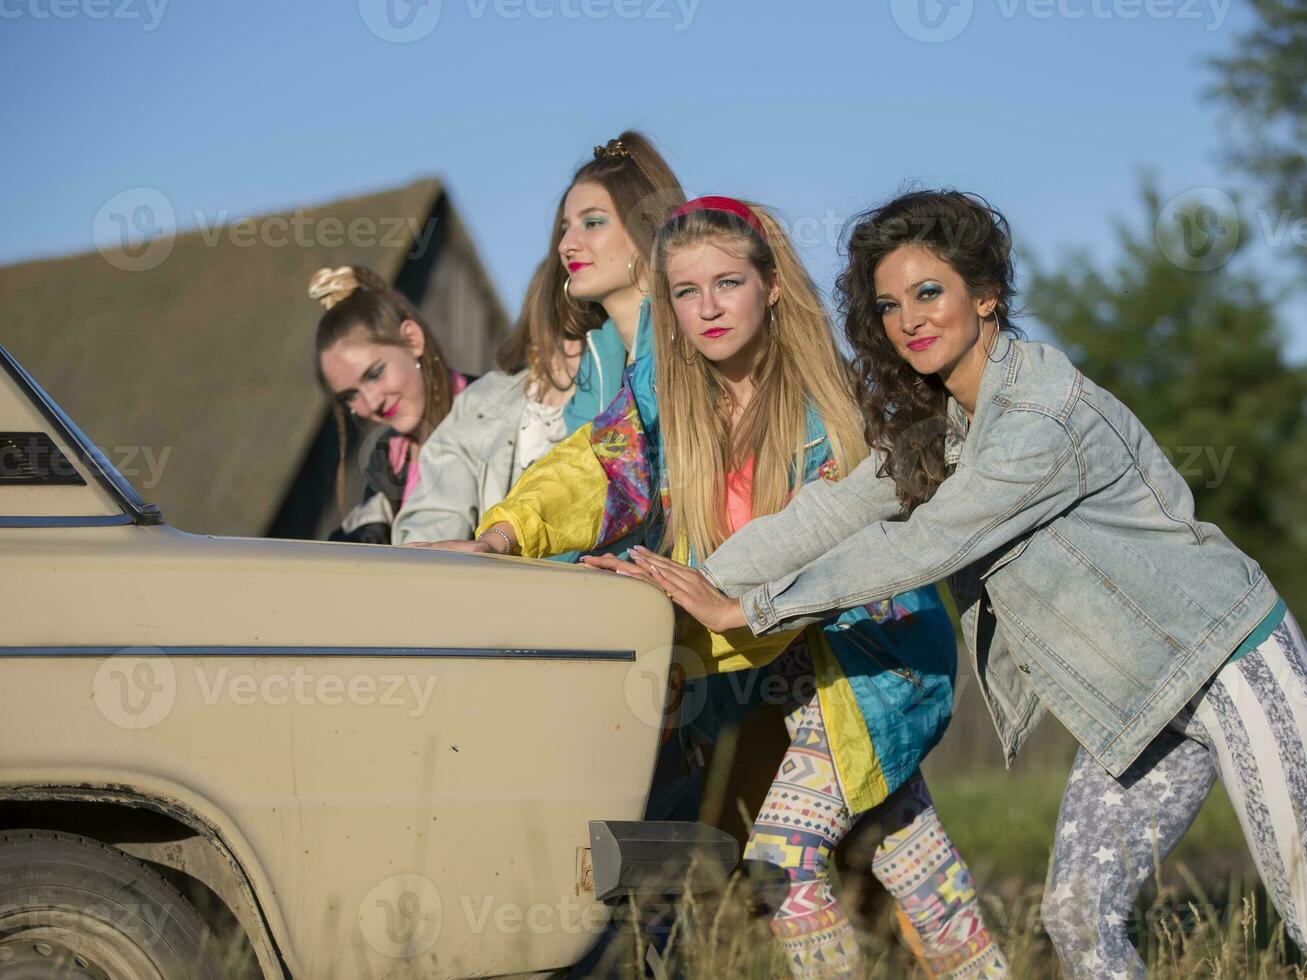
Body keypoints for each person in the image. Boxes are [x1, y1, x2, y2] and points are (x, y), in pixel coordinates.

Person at [632, 189, 1307, 979]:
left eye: (930, 293)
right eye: (890, 305)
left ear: (986, 294)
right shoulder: (942, 423)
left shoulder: (1039, 416)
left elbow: (928, 543)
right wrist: (682, 583)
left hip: (1231, 662)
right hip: (1138, 699)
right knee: (1076, 918)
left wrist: (751, 609)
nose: (910, 321)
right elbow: (830, 511)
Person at [458, 196, 1008, 978]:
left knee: (783, 860)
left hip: (868, 657)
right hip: (764, 658)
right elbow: (601, 466)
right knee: (910, 850)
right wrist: (511, 529)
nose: (707, 308)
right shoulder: (670, 404)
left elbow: (806, 561)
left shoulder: (832, 410)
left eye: (727, 284)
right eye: (686, 292)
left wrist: (690, 618)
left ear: (772, 286)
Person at [395, 131, 686, 549]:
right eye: (565, 228)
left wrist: (504, 540)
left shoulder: (684, 340)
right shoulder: (600, 358)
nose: (567, 244)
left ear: (646, 228)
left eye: (593, 222)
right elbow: (572, 475)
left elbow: (609, 466)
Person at [311, 264, 472, 543]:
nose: (371, 403)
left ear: (412, 340)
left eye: (375, 373)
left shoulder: (501, 413)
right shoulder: (387, 460)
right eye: (350, 396)